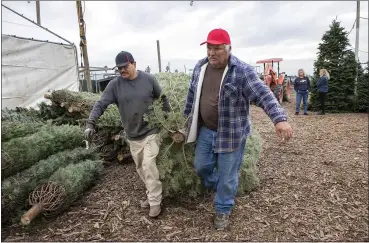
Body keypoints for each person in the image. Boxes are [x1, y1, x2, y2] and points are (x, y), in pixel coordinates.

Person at [182, 28, 293, 230]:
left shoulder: (242, 71)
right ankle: (220, 187)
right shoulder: (200, 67)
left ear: (228, 49)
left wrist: (279, 119)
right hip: (206, 130)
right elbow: (191, 97)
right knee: (201, 166)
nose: (212, 53)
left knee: (228, 174)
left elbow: (263, 94)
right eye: (209, 48)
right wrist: (185, 121)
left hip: (231, 134)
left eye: (217, 48)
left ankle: (223, 208)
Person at [84, 51, 170, 218]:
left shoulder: (149, 80)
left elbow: (163, 99)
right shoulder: (115, 85)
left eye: (125, 66)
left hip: (151, 131)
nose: (122, 70)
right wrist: (90, 123)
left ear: (134, 64)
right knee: (140, 168)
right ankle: (152, 194)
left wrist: (169, 120)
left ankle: (154, 202)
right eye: (119, 68)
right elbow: (101, 104)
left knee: (148, 165)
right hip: (133, 135)